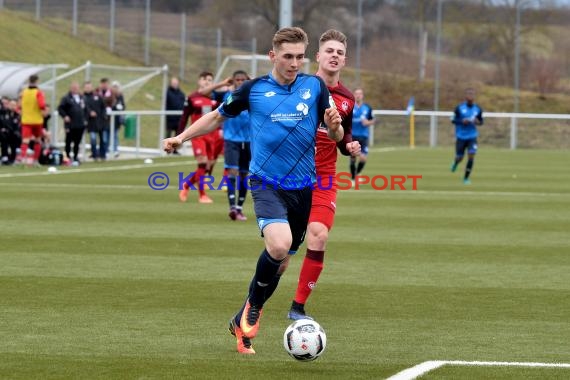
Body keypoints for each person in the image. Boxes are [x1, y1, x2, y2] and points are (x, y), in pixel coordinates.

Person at [163, 27, 343, 355]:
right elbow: (216, 118)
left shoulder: (314, 86)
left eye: (300, 57)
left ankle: (242, 316)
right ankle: (254, 310)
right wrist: (181, 138)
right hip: (265, 183)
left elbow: (335, 134)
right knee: (279, 245)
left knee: (283, 262)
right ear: (272, 56)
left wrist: (334, 126)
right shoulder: (254, 89)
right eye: (288, 56)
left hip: (303, 188)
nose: (294, 63)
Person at [287, 29, 361, 320]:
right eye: (329, 51)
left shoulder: (346, 98)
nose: (334, 56)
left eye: (340, 53)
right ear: (317, 56)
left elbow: (343, 138)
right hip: (290, 177)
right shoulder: (298, 86)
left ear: (344, 61)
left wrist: (350, 144)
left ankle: (297, 307)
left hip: (324, 178)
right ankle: (254, 304)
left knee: (318, 236)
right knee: (282, 254)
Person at [177, 71, 229, 204]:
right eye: (205, 79)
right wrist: (179, 137)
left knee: (207, 167)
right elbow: (184, 118)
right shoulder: (192, 98)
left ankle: (186, 185)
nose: (207, 81)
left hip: (212, 136)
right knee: (202, 163)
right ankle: (202, 195)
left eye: (210, 80)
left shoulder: (215, 98)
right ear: (199, 81)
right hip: (198, 136)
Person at [222, 70, 251, 221]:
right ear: (233, 81)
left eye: (243, 80)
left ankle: (239, 208)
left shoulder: (252, 97)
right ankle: (232, 207)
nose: (240, 82)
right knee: (232, 172)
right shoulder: (227, 96)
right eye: (237, 80)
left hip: (248, 142)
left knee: (244, 175)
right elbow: (202, 93)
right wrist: (222, 83)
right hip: (231, 141)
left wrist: (252, 83)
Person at [450, 87, 484, 185]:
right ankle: (456, 163)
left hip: (472, 136)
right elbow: (453, 120)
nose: (470, 96)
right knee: (459, 157)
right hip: (461, 136)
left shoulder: (478, 109)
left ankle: (466, 178)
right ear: (465, 96)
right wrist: (462, 121)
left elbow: (481, 121)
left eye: (472, 94)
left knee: (471, 155)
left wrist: (478, 122)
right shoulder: (459, 108)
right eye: (468, 94)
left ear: (474, 96)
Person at [18, 74, 46, 165]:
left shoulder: (24, 92)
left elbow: (19, 105)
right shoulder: (38, 92)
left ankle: (22, 159)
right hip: (37, 120)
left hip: (26, 120)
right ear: (37, 81)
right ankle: (35, 160)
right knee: (37, 140)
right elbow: (41, 105)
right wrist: (43, 111)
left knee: (25, 140)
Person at [58, 81, 87, 165]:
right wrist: (65, 116)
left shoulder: (82, 98)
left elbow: (86, 109)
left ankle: (75, 157)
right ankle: (67, 157)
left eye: (76, 88)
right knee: (68, 141)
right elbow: (60, 109)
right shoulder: (66, 98)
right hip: (70, 124)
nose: (75, 89)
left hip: (80, 124)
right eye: (73, 88)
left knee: (77, 142)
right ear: (71, 88)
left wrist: (85, 119)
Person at [350, 88, 374, 181]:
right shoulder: (350, 107)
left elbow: (373, 119)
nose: (358, 95)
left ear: (362, 95)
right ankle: (353, 178)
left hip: (364, 136)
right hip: (352, 136)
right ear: (354, 95)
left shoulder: (367, 108)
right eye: (356, 94)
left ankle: (358, 174)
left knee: (363, 158)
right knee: (353, 157)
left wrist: (368, 122)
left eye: (360, 94)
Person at [84, 81, 108, 161]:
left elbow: (103, 107)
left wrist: (104, 115)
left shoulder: (97, 96)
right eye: (86, 87)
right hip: (91, 123)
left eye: (89, 87)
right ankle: (94, 155)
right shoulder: (83, 98)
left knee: (103, 140)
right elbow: (84, 108)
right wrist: (89, 112)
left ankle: (103, 155)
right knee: (93, 139)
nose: (88, 88)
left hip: (101, 122)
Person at [165, 77, 186, 155]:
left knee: (177, 136)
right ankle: (167, 149)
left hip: (178, 118)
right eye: (173, 83)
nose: (175, 84)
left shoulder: (181, 94)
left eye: (176, 82)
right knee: (168, 134)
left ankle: (175, 150)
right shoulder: (167, 93)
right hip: (170, 118)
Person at [110, 81, 125, 158]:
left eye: (116, 87)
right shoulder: (109, 95)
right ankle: (108, 150)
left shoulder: (120, 96)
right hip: (108, 119)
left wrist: (120, 107)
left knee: (115, 135)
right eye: (114, 87)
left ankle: (115, 150)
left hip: (116, 120)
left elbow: (123, 106)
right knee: (108, 135)